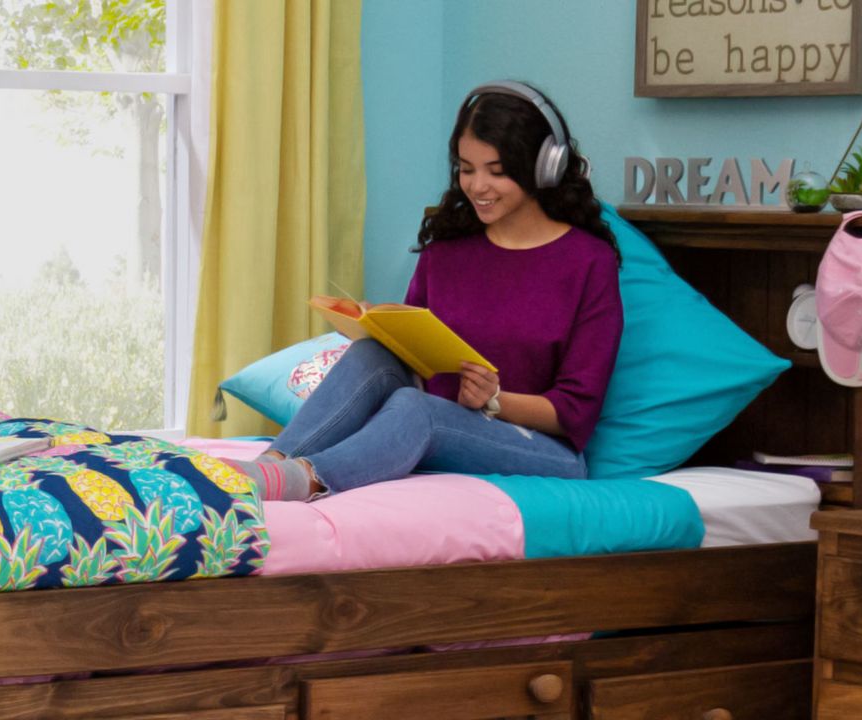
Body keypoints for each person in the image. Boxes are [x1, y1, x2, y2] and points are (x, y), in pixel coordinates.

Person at [227, 80, 624, 501]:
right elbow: (416, 364)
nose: (477, 187)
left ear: (542, 167)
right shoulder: (447, 251)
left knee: (420, 412)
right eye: (467, 169)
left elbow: (575, 412)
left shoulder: (588, 262)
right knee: (373, 356)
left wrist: (494, 400)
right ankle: (268, 469)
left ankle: (304, 481)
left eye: (497, 171)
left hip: (540, 448)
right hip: (439, 425)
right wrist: (379, 329)